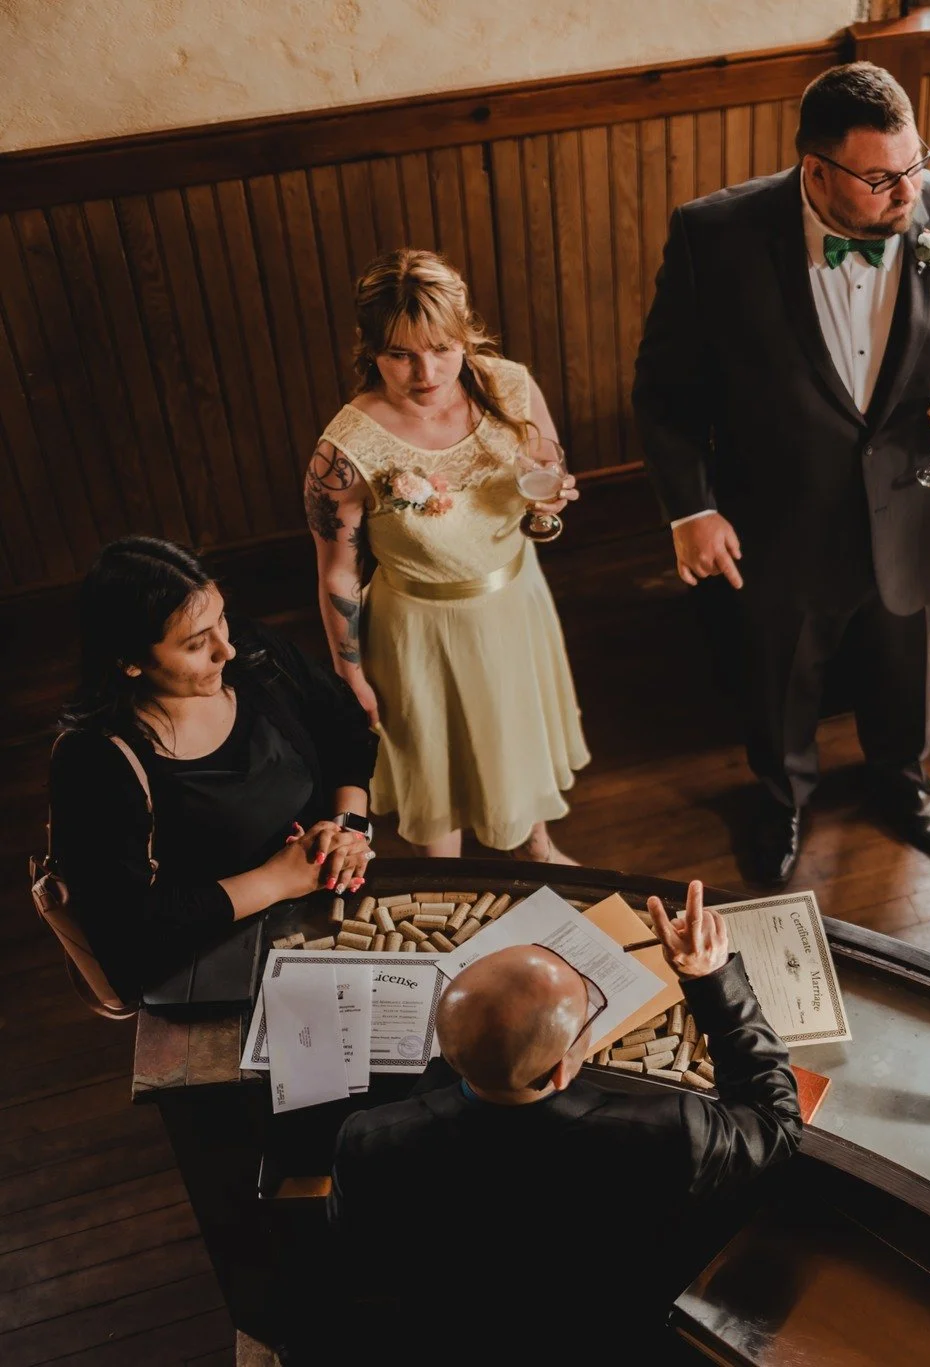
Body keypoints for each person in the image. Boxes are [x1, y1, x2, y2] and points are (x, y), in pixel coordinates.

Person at [634, 61, 930, 889]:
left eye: (915, 164)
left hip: (920, 506)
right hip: (778, 517)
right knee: (780, 673)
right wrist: (690, 508)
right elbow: (665, 391)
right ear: (816, 170)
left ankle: (900, 777)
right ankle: (782, 797)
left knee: (906, 660)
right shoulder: (712, 238)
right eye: (880, 179)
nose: (908, 194)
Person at [329, 881, 801, 1360]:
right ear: (560, 1071)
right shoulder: (675, 1132)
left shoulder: (366, 1140)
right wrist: (711, 979)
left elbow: (358, 1264)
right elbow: (776, 1123)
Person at [307, 249, 588, 862]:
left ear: (465, 335)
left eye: (442, 347)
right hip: (418, 628)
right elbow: (339, 570)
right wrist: (349, 673)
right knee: (434, 753)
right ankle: (447, 880)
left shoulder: (509, 385)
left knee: (519, 726)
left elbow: (547, 462)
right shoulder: (343, 452)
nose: (426, 372)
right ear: (371, 350)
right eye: (401, 354)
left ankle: (537, 843)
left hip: (514, 598)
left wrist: (552, 497)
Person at [46, 538, 377, 1003]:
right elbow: (127, 926)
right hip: (210, 964)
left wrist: (350, 829)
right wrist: (276, 880)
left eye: (219, 618)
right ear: (129, 661)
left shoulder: (250, 652)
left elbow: (343, 726)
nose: (227, 650)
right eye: (196, 643)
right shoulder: (94, 760)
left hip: (328, 912)